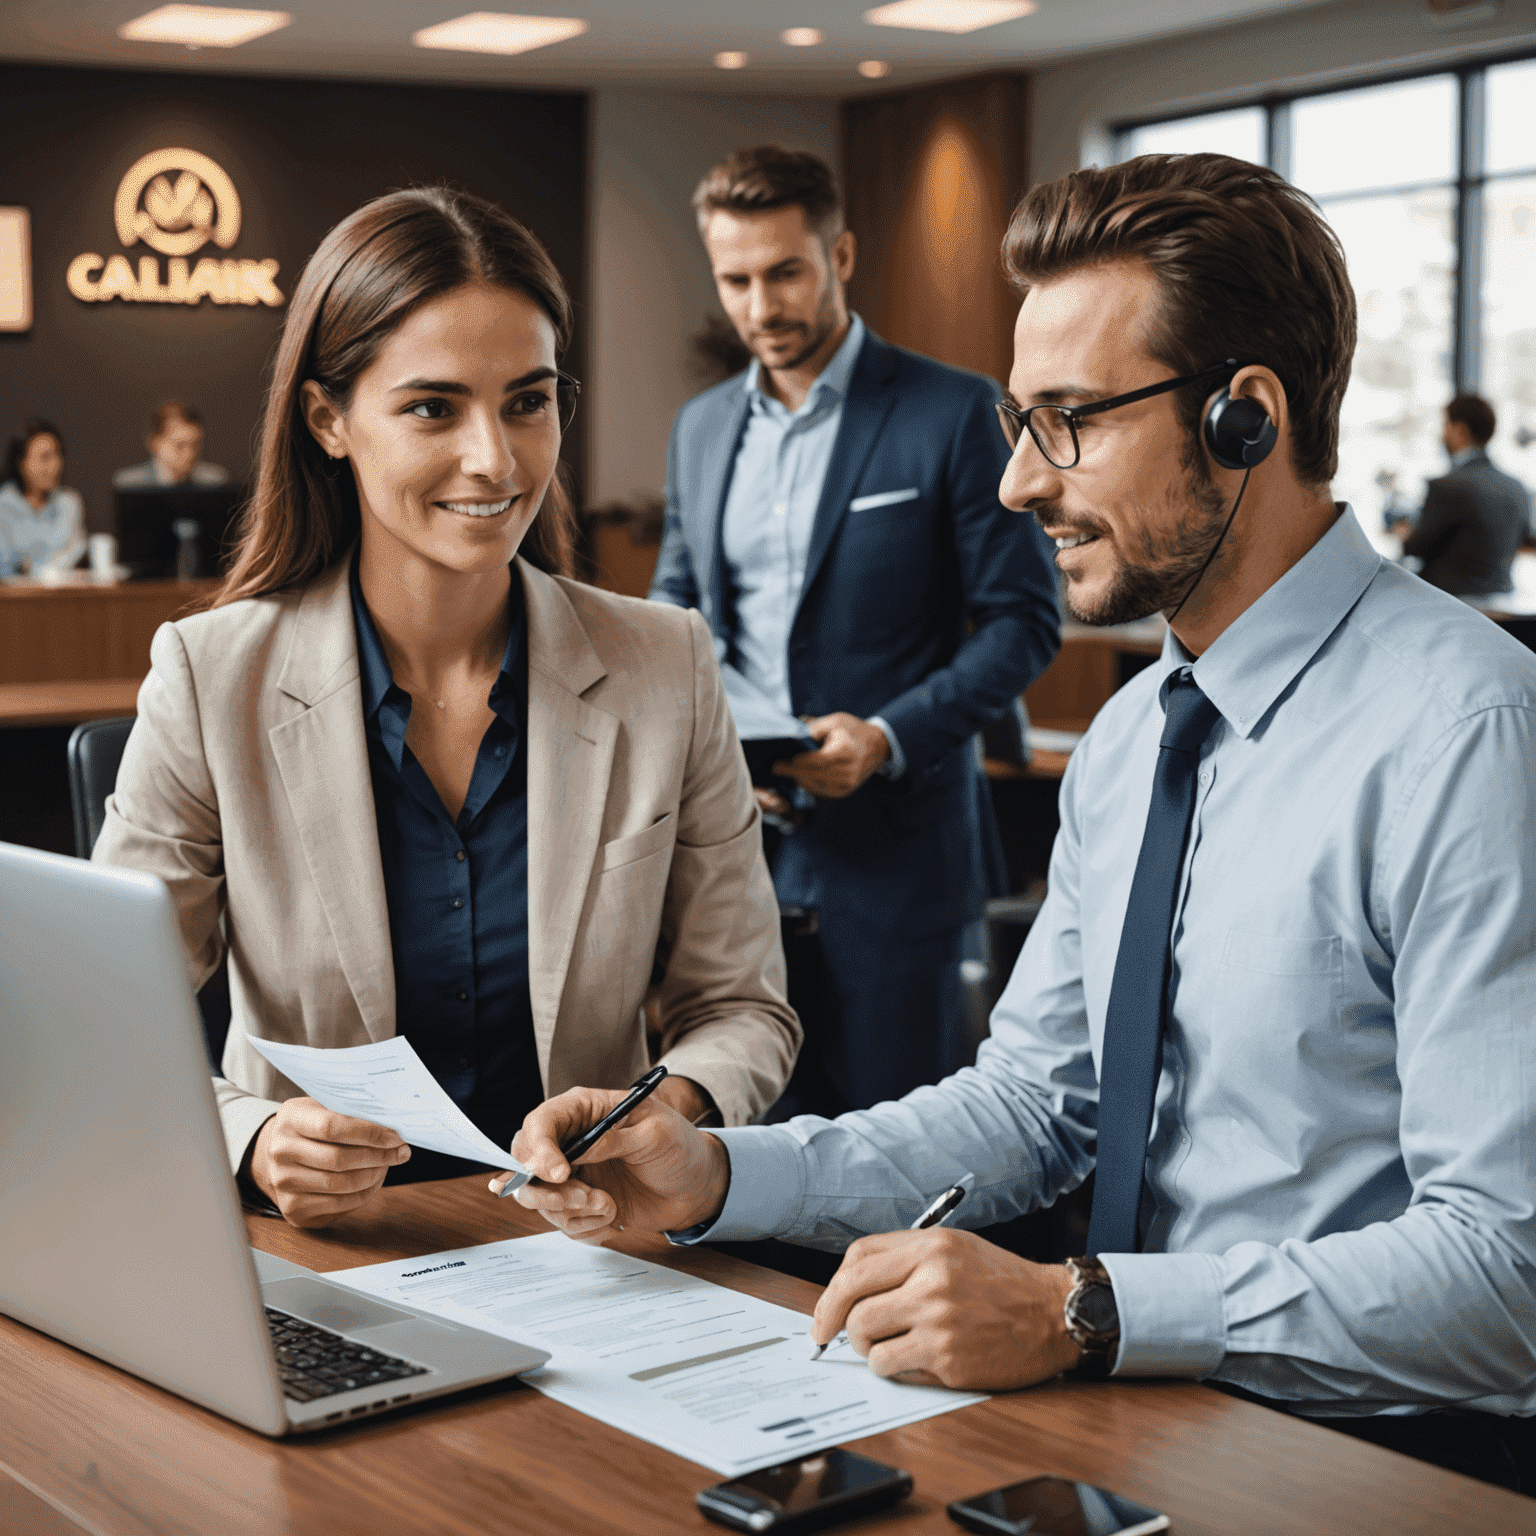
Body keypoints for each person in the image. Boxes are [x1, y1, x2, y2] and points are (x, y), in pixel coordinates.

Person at [507, 154, 1536, 1494]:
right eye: (1017, 418)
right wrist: (711, 1176)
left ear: (1245, 417)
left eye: (1070, 420)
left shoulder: (1470, 732)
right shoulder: (1132, 741)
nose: (1013, 484)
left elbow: (1508, 1276)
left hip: (1381, 1466)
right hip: (1121, 1424)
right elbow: (1031, 1110)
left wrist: (1078, 1310)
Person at [93, 186, 799, 1229]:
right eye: (433, 407)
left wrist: (668, 1108)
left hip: (594, 1254)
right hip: (330, 1258)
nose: (497, 460)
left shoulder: (665, 664)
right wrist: (250, 1136)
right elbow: (103, 1018)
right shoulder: (211, 677)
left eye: (527, 400)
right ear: (329, 419)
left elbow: (740, 1007)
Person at [649, 146, 1059, 1118]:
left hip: (899, 861)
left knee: (893, 1152)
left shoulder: (951, 410)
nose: (760, 306)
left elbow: (1024, 622)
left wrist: (887, 738)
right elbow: (676, 611)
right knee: (744, 1153)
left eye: (784, 272)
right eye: (736, 280)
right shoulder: (702, 428)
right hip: (734, 854)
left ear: (839, 255)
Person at [1395, 393, 1531, 595]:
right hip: (1500, 602)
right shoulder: (1517, 487)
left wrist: (1404, 533)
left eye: (1445, 425)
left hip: (1450, 602)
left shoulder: (1448, 486)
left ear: (1459, 430)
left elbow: (1415, 548)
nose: (1442, 434)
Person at [0, 419, 86, 576]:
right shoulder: (4, 506)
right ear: (21, 463)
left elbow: (74, 551)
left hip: (60, 595)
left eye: (58, 455)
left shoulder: (68, 502)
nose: (55, 465)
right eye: (45, 457)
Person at [112, 401, 230, 490]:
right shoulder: (130, 485)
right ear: (154, 443)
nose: (190, 454)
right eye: (180, 445)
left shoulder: (214, 481)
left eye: (195, 444)